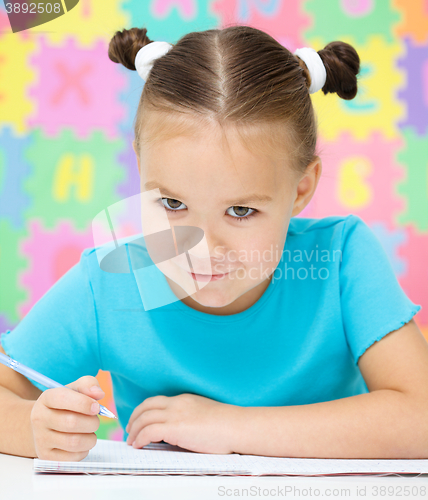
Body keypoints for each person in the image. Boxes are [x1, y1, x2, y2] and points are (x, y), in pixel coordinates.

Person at [1, 25, 427, 462]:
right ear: (140, 164)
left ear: (301, 189)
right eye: (171, 203)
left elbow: (421, 418)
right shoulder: (109, 285)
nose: (199, 249)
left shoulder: (340, 260)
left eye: (241, 211)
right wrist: (34, 429)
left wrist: (229, 427)